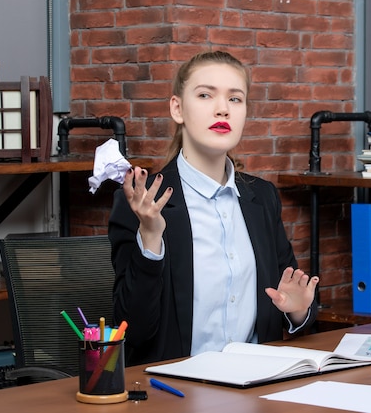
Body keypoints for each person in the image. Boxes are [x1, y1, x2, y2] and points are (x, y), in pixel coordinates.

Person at [108, 50, 320, 366]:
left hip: (257, 384)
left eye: (235, 99)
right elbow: (134, 331)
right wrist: (150, 237)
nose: (222, 109)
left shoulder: (261, 198)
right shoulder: (145, 201)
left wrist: (298, 308)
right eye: (206, 95)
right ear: (177, 108)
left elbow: (290, 294)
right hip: (176, 391)